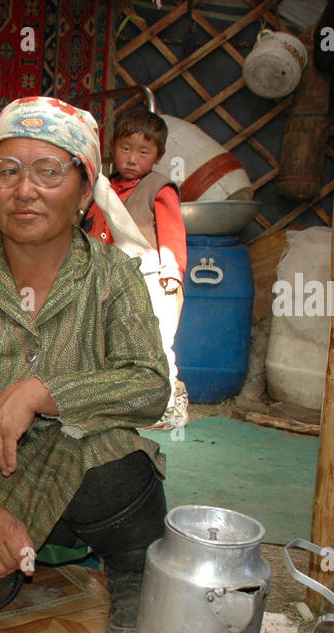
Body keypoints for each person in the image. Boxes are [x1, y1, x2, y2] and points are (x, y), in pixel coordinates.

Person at [0, 96, 170, 633]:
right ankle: (22, 538)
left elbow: (150, 386)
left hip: (77, 455)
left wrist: (42, 392)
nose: (25, 191)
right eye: (7, 171)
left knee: (117, 457)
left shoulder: (114, 276)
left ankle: (133, 565)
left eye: (49, 172)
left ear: (84, 190)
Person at [91, 108, 189, 430]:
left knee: (156, 339)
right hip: (108, 279)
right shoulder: (102, 187)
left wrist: (171, 271)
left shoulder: (159, 188)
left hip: (151, 278)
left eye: (143, 152)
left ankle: (169, 404)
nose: (132, 159)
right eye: (126, 149)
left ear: (158, 156)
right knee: (110, 340)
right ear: (113, 147)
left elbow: (172, 233)